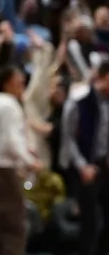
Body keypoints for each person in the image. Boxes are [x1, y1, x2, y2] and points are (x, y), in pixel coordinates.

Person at [0, 65, 41, 255]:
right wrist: (29, 160)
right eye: (18, 78)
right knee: (14, 227)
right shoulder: (8, 105)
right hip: (2, 169)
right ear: (7, 82)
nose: (22, 80)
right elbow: (10, 140)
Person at [60, 61, 109, 255]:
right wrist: (82, 167)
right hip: (85, 166)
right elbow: (68, 138)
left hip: (104, 164)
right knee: (90, 224)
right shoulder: (79, 100)